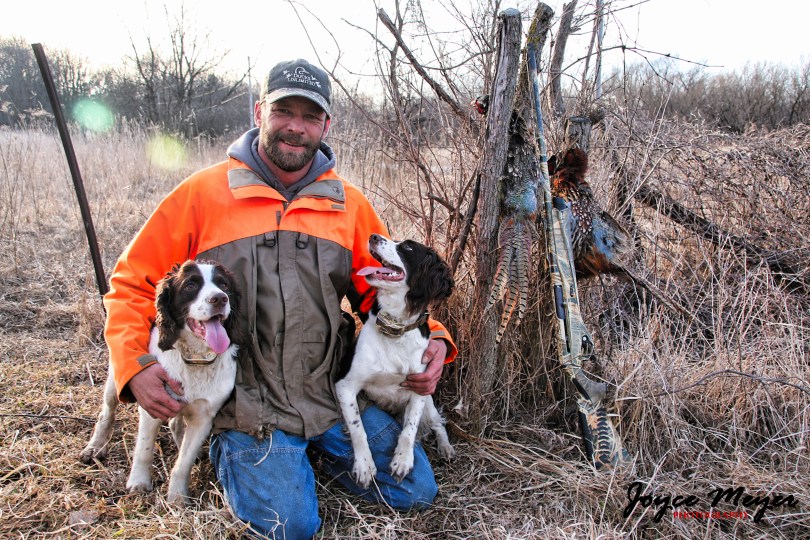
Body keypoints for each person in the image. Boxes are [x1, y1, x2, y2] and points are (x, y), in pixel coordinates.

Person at [102, 58, 457, 539]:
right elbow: (131, 284)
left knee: (415, 490)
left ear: (326, 125)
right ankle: (233, 449)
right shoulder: (200, 195)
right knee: (288, 525)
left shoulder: (349, 205)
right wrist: (135, 365)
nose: (296, 127)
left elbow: (390, 290)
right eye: (283, 111)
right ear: (258, 113)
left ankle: (304, 455)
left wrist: (434, 339)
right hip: (246, 402)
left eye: (310, 116)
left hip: (327, 392)